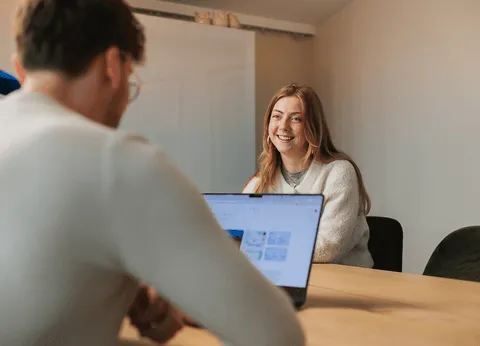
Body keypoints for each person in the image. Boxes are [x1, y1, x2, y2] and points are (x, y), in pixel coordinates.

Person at [0, 1, 305, 346]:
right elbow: (278, 335)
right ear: (114, 66)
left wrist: (114, 286)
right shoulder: (117, 162)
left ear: (20, 71)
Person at [244, 83, 374, 268]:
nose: (283, 126)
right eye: (277, 117)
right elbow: (239, 242)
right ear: (268, 126)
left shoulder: (339, 173)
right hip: (286, 279)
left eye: (296, 119)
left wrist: (263, 245)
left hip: (345, 285)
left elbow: (327, 248)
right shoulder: (259, 183)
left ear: (312, 127)